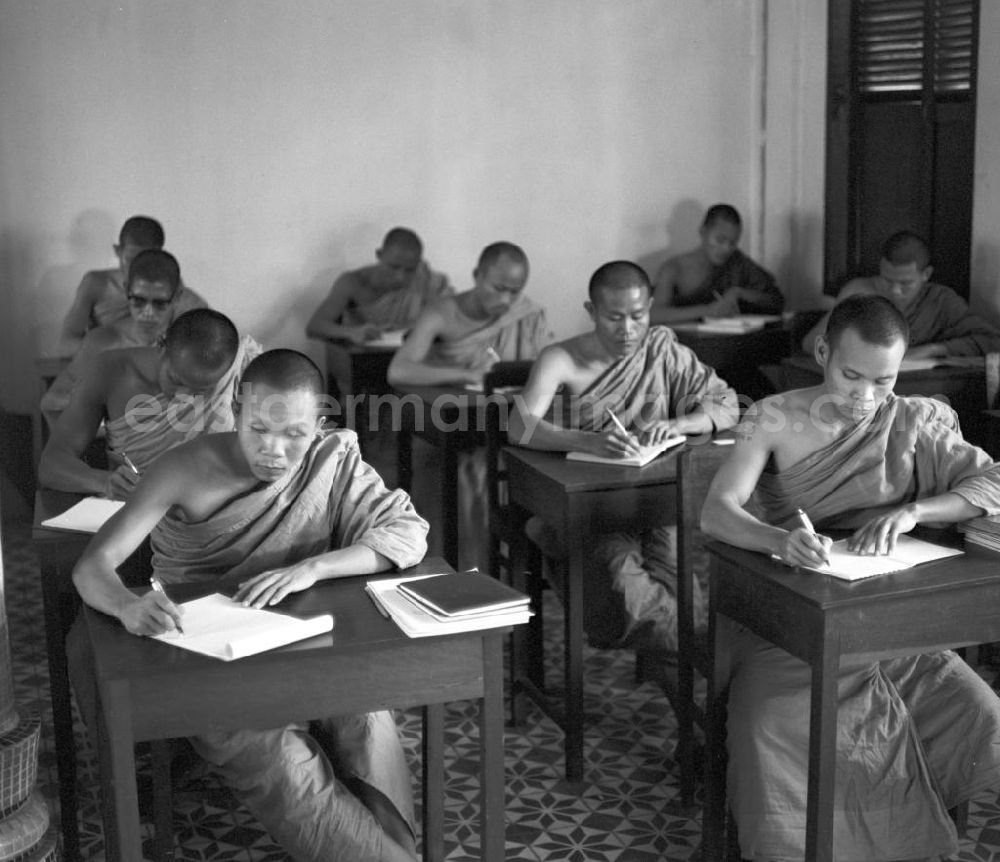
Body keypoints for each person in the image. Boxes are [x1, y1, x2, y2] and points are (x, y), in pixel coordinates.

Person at [68, 349, 428, 862]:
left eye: (294, 434)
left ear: (318, 423)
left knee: (370, 719)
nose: (275, 451)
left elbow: (407, 532)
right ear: (237, 408)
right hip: (214, 669)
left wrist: (313, 567)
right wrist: (128, 604)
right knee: (286, 767)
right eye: (259, 429)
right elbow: (91, 567)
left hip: (312, 648)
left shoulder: (333, 458)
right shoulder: (182, 469)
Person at [701, 293, 1000, 860]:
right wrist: (779, 539)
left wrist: (915, 511)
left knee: (980, 711)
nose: (865, 398)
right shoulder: (774, 416)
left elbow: (992, 482)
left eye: (883, 381)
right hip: (787, 613)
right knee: (770, 724)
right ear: (821, 352)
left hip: (887, 619)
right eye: (850, 375)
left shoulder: (913, 419)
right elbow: (717, 512)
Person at [507, 260, 738, 656]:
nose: (628, 330)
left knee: (688, 602)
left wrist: (682, 423)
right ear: (591, 311)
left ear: (650, 306)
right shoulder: (560, 359)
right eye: (614, 317)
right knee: (627, 596)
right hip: (591, 509)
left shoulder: (662, 349)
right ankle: (702, 659)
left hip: (653, 502)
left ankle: (687, 666)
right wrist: (587, 441)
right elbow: (519, 426)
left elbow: (727, 403)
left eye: (638, 315)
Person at [39, 309, 258, 499]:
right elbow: (51, 465)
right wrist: (104, 481)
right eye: (176, 380)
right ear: (162, 345)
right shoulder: (110, 370)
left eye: (200, 391)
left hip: (211, 511)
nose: (184, 396)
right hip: (136, 514)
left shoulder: (241, 371)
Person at [801, 230, 1000, 358]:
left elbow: (991, 341)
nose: (895, 290)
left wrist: (933, 350)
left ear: (926, 274)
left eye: (906, 283)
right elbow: (812, 344)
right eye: (887, 280)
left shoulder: (941, 300)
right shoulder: (860, 291)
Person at [41, 249, 184, 426]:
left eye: (159, 304)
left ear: (177, 297)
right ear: (126, 291)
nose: (148, 312)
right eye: (138, 301)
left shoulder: (190, 343)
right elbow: (52, 403)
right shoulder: (103, 343)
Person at [387, 241, 549, 388]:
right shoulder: (441, 315)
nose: (505, 300)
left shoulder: (527, 313)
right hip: (448, 409)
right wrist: (465, 375)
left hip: (508, 407)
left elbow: (544, 368)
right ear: (477, 275)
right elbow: (398, 371)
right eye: (498, 289)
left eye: (515, 292)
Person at [57, 215, 207, 357]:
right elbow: (65, 345)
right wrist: (118, 352)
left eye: (159, 303)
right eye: (130, 259)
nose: (138, 268)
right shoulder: (96, 283)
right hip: (108, 367)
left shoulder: (180, 296)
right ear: (118, 251)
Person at [306, 226, 453, 345]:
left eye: (410, 270)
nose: (400, 277)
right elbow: (315, 326)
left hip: (413, 356)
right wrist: (351, 332)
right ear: (379, 255)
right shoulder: (354, 282)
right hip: (368, 360)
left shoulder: (428, 281)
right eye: (393, 266)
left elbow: (453, 318)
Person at [651, 203, 784, 325]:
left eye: (732, 243)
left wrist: (738, 292)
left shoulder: (738, 262)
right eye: (720, 240)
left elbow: (776, 302)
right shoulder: (675, 268)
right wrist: (706, 310)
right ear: (703, 232)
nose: (726, 249)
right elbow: (654, 314)